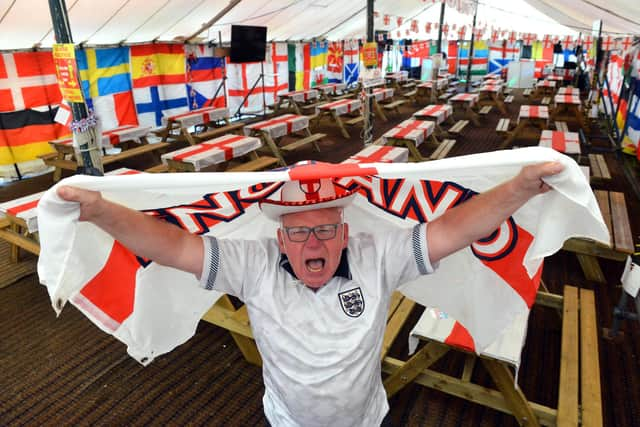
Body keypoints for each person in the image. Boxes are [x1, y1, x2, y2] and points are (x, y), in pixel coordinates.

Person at [56, 161, 564, 427]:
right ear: (280, 239)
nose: (313, 242)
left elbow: (454, 229)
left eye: (325, 230)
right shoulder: (253, 265)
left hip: (370, 420)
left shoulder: (376, 255)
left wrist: (519, 189)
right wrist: (100, 211)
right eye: (299, 233)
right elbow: (171, 246)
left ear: (346, 234)